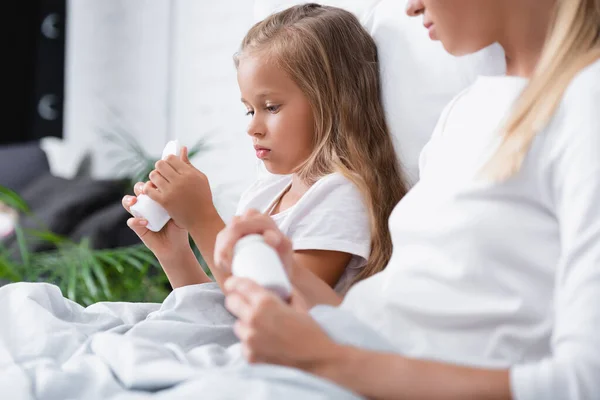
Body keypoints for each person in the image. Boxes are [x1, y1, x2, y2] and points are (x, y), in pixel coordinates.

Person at [220, 0, 600, 398]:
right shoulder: (469, 108)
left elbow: (583, 383)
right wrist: (288, 273)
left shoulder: (584, 103)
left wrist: (325, 360)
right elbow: (393, 323)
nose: (410, 6)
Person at [122, 4, 407, 298]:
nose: (253, 128)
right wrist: (175, 253)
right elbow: (225, 311)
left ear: (332, 103)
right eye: (249, 111)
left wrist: (202, 219)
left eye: (271, 107)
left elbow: (276, 311)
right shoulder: (265, 194)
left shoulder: (341, 197)